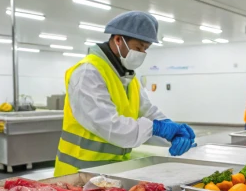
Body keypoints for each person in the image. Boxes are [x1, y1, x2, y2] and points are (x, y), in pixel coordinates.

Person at [54, 11, 195, 176]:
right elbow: (109, 124)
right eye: (138, 47)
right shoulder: (88, 72)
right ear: (118, 39)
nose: (142, 53)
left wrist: (172, 130)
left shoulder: (127, 76)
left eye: (146, 49)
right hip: (79, 174)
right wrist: (157, 128)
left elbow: (147, 111)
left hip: (111, 172)